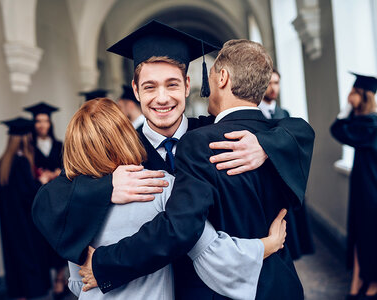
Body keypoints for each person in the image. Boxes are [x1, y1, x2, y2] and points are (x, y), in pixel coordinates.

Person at [32, 21, 314, 299]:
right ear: (135, 89)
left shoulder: (213, 134)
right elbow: (48, 202)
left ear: (188, 84)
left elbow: (296, 129)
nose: (162, 98)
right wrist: (106, 187)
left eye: (172, 84)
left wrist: (264, 144)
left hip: (220, 288)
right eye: (150, 87)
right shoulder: (119, 149)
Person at [62, 98, 288, 299]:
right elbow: (214, 255)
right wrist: (268, 244)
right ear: (126, 135)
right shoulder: (159, 187)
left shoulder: (71, 206)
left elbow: (76, 283)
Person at [259, 69, 315, 260]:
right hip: (266, 183)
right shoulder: (255, 116)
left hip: (285, 180)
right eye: (269, 83)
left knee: (290, 235)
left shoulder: (285, 114)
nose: (273, 87)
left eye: (276, 83)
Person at [331, 72, 377, 300]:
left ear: (364, 95)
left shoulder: (372, 124)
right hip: (363, 186)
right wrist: (350, 109)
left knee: (370, 235)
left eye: (353, 93)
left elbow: (338, 129)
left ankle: (372, 285)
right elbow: (338, 130)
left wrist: (347, 110)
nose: (349, 97)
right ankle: (358, 280)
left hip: (372, 190)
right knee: (360, 233)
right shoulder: (365, 122)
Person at [0, 117, 51, 300]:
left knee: (15, 261)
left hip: (10, 225)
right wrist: (41, 182)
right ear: (26, 137)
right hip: (26, 225)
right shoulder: (21, 163)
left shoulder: (1, 165)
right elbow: (29, 195)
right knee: (29, 261)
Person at [23, 102, 67, 298]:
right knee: (42, 240)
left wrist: (57, 173)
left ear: (50, 123)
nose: (42, 125)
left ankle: (59, 278)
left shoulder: (59, 145)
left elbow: (68, 168)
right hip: (39, 200)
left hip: (58, 199)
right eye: (39, 121)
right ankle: (53, 279)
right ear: (34, 124)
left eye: (45, 121)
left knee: (59, 236)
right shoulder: (29, 149)